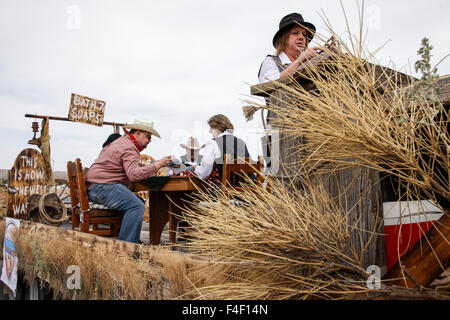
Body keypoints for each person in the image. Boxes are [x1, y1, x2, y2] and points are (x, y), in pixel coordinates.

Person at [86, 117, 173, 243]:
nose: (149, 141)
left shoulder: (123, 142)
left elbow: (129, 168)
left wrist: (151, 166)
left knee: (137, 202)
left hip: (96, 186)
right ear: (137, 133)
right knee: (136, 206)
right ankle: (127, 245)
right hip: (101, 187)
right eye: (148, 137)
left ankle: (131, 240)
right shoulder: (129, 147)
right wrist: (158, 165)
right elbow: (133, 174)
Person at [258, 12, 321, 84]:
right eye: (295, 33)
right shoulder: (271, 61)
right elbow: (267, 85)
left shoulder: (309, 62)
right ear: (283, 38)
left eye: (304, 35)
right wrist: (299, 61)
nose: (301, 37)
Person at [192, 114, 250, 186]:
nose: (210, 131)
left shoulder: (213, 143)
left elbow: (204, 173)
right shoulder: (240, 142)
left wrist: (196, 168)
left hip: (226, 190)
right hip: (248, 189)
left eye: (211, 128)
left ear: (216, 128)